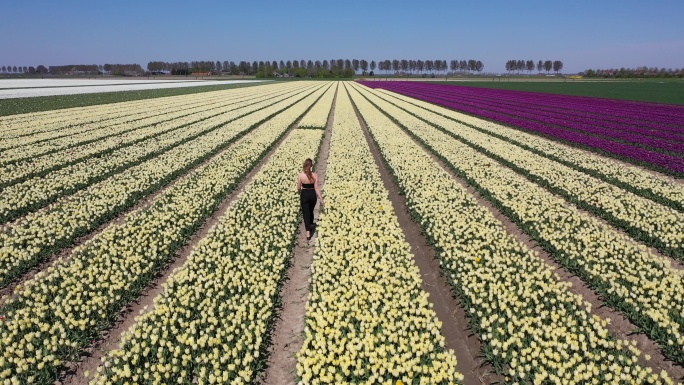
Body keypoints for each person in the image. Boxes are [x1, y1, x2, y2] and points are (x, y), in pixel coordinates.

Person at [297, 158, 324, 242]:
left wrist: (299, 192)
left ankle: (308, 233)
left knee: (306, 213)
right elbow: (316, 188)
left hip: (304, 195)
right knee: (311, 210)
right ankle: (311, 224)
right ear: (311, 166)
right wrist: (321, 199)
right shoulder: (315, 175)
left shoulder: (301, 175)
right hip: (312, 195)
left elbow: (298, 187)